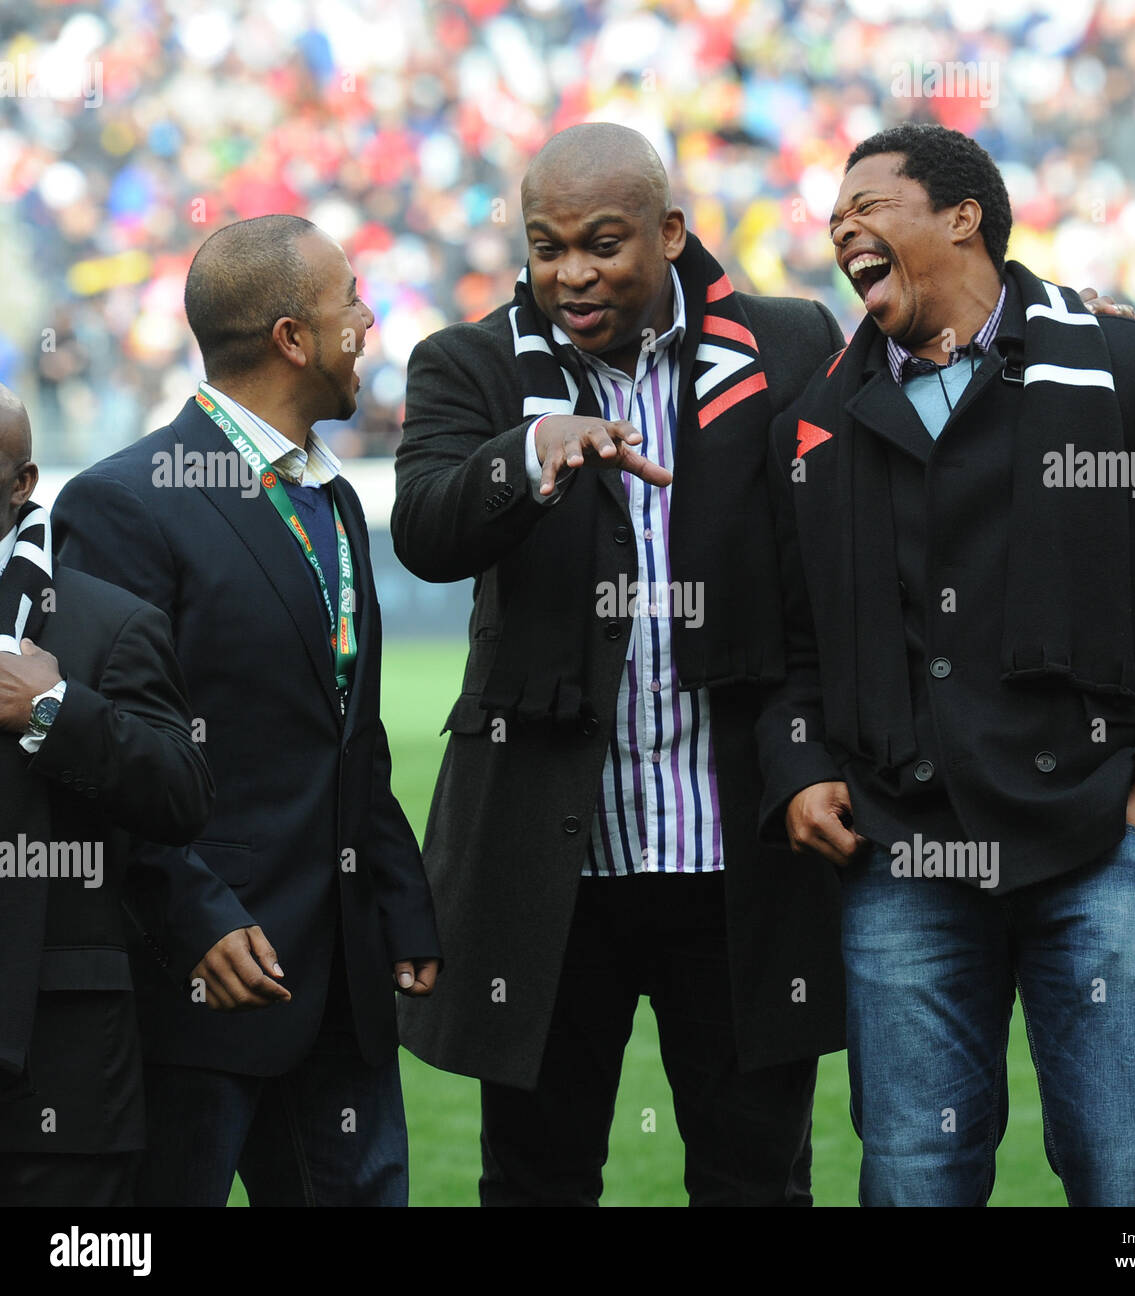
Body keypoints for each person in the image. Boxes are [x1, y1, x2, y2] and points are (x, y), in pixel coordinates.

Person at [759, 123, 1135, 1207]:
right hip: (901, 856)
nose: (842, 228)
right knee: (913, 1179)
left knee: (1126, 1174)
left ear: (964, 217)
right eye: (832, 219)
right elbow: (792, 643)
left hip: (1099, 843)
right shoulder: (814, 419)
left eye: (870, 206)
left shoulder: (1134, 366)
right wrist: (800, 762)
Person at [392, 122, 850, 1207]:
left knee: (756, 1182)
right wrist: (525, 455)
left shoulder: (787, 343)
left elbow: (827, 579)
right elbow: (424, 530)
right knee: (535, 1181)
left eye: (603, 242)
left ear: (670, 232)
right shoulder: (467, 363)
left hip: (737, 850)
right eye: (546, 247)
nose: (571, 273)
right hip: (548, 869)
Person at [53, 215, 440, 1207]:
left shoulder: (334, 498)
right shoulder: (122, 502)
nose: (369, 320)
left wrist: (397, 901)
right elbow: (105, 753)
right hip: (202, 983)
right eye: (351, 300)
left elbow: (347, 735)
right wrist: (196, 920)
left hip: (346, 990)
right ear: (291, 339)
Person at [0, 387, 213, 1206]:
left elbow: (181, 792)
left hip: (52, 1068)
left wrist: (52, 713)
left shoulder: (106, 623)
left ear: (22, 483)